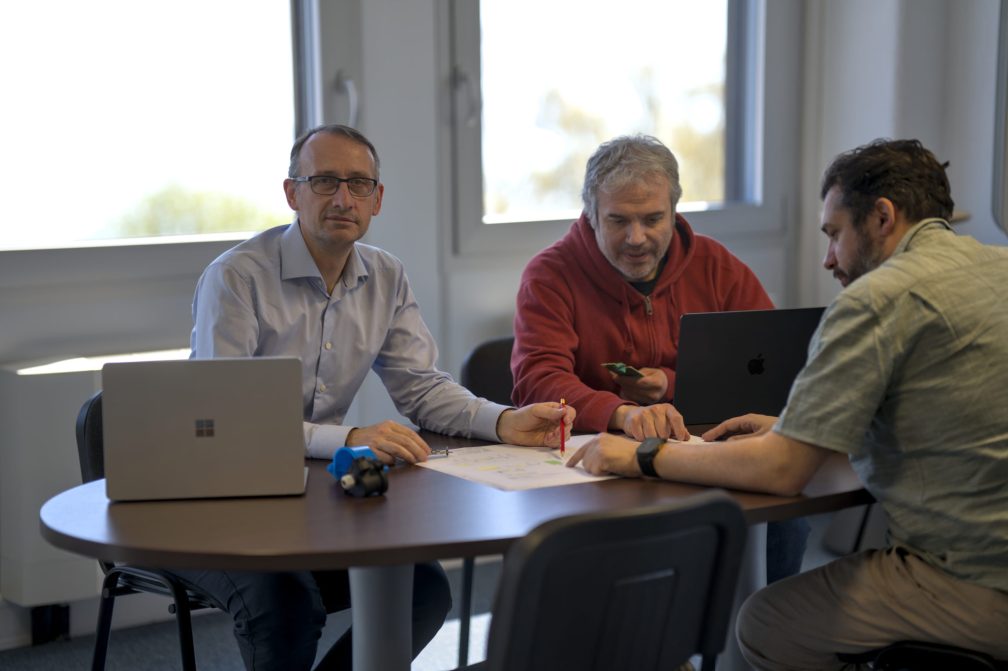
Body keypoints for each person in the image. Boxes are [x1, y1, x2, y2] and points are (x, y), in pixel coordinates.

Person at [568, 138, 1008, 668]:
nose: (827, 259)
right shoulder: (998, 267)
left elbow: (782, 470)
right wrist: (793, 426)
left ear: (884, 217)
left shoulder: (876, 300)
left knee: (765, 622)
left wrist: (641, 455)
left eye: (834, 234)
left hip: (973, 579)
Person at [179, 124, 575, 671]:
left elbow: (423, 388)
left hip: (309, 496)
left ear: (377, 199)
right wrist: (352, 437)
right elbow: (227, 422)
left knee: (421, 587)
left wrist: (505, 421)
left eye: (359, 184)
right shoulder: (236, 278)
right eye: (324, 182)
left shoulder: (385, 274)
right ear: (292, 193)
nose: (343, 198)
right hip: (219, 499)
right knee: (286, 601)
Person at [511, 133, 808, 584]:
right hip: (600, 467)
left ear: (675, 211)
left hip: (708, 456)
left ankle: (755, 637)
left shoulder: (715, 265)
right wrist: (623, 413)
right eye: (618, 221)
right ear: (591, 215)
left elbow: (768, 362)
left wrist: (670, 384)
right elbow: (537, 379)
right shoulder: (551, 274)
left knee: (785, 517)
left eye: (653, 219)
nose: (637, 238)